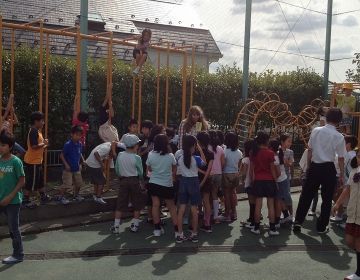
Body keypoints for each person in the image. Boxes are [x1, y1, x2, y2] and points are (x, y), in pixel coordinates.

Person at [293, 108, 346, 234]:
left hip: (315, 166)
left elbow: (310, 150)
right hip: (329, 168)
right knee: (327, 199)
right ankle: (321, 227)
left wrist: (309, 166)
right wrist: (342, 174)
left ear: (326, 118)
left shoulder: (316, 130)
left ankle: (298, 222)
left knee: (306, 195)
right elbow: (341, 158)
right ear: (339, 121)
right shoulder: (339, 136)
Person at [332, 150, 360, 280]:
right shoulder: (354, 171)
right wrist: (337, 204)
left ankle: (358, 274)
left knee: (358, 243)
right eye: (359, 155)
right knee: (349, 241)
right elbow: (347, 189)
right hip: (352, 213)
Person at [0, 131, 25, 264]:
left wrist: (10, 197)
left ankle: (18, 254)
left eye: (3, 145)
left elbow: (22, 181)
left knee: (13, 228)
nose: (0, 147)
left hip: (13, 202)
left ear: (10, 146)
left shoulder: (16, 161)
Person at [175, 135, 206, 243]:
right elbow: (204, 163)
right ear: (194, 145)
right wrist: (200, 149)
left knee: (181, 209)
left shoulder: (179, 158)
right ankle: (194, 234)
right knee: (194, 210)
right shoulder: (196, 159)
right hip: (194, 183)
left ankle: (179, 234)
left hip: (183, 182)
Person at [111, 134, 144, 233]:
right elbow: (140, 172)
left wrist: (120, 176)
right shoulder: (137, 158)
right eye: (137, 144)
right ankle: (135, 225)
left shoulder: (120, 155)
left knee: (120, 203)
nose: (138, 146)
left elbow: (117, 169)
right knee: (137, 203)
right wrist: (141, 180)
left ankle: (116, 226)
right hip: (134, 181)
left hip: (123, 180)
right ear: (135, 145)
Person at [146, 134, 178, 237]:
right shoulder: (170, 156)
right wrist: (172, 176)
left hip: (154, 182)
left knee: (155, 205)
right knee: (172, 207)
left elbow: (149, 169)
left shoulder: (150, 154)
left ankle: (157, 229)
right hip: (167, 183)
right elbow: (174, 168)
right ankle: (177, 230)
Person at [250, 131, 280, 236]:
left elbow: (252, 169)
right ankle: (272, 229)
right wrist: (276, 182)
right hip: (269, 181)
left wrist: (252, 181)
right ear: (267, 141)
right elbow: (272, 169)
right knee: (270, 205)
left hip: (258, 180)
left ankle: (256, 228)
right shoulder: (270, 153)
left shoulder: (253, 152)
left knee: (258, 205)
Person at [23, 111, 50, 208]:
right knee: (31, 181)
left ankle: (43, 196)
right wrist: (44, 144)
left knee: (40, 180)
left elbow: (38, 146)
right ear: (36, 121)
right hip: (32, 161)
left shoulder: (38, 131)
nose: (43, 123)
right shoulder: (33, 131)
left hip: (37, 160)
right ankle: (25, 200)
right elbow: (34, 146)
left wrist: (44, 145)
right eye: (42, 121)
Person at [331, 135, 358, 225]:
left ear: (348, 144)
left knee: (350, 200)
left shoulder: (350, 155)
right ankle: (343, 215)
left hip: (349, 182)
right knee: (345, 198)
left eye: (343, 143)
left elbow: (349, 170)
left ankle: (346, 219)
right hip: (347, 181)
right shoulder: (351, 154)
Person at [58, 126, 86, 205]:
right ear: (72, 134)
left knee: (79, 183)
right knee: (67, 184)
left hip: (76, 168)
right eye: (76, 135)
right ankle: (61, 197)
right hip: (68, 169)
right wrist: (66, 165)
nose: (78, 137)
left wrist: (83, 160)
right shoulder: (68, 144)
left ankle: (76, 195)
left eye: (80, 135)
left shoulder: (79, 144)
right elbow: (61, 155)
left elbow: (79, 153)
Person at [196, 131, 214, 233]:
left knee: (196, 203)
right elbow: (209, 170)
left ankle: (195, 223)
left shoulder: (195, 153)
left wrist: (200, 181)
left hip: (196, 179)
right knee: (206, 202)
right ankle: (207, 224)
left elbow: (194, 167)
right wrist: (204, 180)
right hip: (207, 180)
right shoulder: (211, 154)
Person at [269, 139, 289, 229]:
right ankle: (286, 216)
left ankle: (277, 221)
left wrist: (274, 181)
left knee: (277, 201)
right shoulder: (278, 153)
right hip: (283, 179)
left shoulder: (275, 156)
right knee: (280, 200)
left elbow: (278, 173)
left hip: (280, 181)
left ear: (271, 147)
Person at [222, 131, 242, 222]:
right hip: (235, 174)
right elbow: (239, 165)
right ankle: (234, 213)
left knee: (227, 195)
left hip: (226, 174)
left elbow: (223, 164)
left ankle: (227, 213)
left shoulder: (225, 151)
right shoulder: (239, 152)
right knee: (233, 194)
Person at [208, 130, 225, 224]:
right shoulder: (220, 148)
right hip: (218, 174)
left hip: (209, 173)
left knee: (207, 195)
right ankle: (216, 216)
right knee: (215, 194)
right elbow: (223, 163)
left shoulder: (207, 148)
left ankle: (208, 214)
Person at [240, 140, 256, 228]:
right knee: (255, 202)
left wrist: (242, 180)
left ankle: (251, 219)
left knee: (251, 203)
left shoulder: (245, 159)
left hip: (249, 182)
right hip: (256, 181)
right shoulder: (256, 157)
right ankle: (253, 218)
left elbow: (244, 173)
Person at [279, 134, 294, 223]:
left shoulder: (290, 152)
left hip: (286, 176)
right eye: (288, 141)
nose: (290, 143)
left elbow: (290, 164)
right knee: (280, 196)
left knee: (287, 196)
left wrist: (285, 161)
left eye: (290, 141)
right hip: (278, 177)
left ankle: (291, 214)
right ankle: (283, 213)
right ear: (282, 141)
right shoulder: (277, 151)